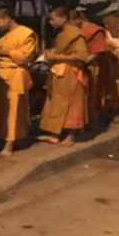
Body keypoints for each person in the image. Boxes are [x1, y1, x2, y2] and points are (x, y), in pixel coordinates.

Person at [37, 8, 89, 146]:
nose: (50, 22)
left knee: (73, 104)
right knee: (56, 102)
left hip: (71, 73)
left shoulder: (76, 34)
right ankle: (55, 134)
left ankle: (71, 136)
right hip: (58, 72)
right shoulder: (61, 33)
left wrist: (56, 56)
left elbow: (81, 56)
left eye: (53, 19)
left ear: (64, 18)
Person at [0, 7, 38, 157]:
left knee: (14, 110)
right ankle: (2, 136)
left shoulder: (26, 34)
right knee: (1, 109)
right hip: (1, 74)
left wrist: (4, 52)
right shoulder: (3, 35)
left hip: (15, 74)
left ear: (7, 19)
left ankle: (9, 143)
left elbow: (25, 57)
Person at [72, 11, 119, 127]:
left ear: (78, 19)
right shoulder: (75, 31)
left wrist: (83, 61)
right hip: (81, 65)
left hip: (98, 65)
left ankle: (99, 118)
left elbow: (98, 51)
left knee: (99, 92)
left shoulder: (95, 30)